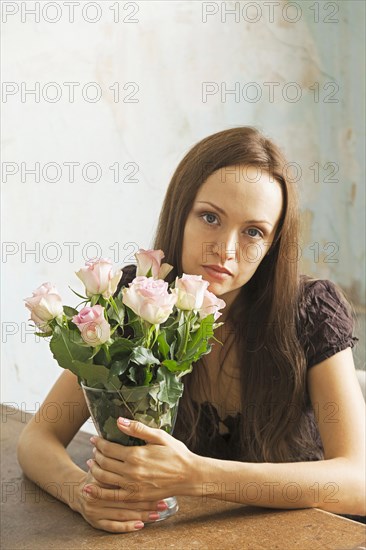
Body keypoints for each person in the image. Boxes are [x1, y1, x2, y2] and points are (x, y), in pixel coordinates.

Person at [17, 127, 365, 533]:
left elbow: (357, 481)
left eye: (253, 232)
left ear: (272, 245)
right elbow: (37, 439)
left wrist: (198, 476)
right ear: (180, 212)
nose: (226, 249)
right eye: (210, 217)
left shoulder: (312, 312)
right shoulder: (134, 302)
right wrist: (84, 496)